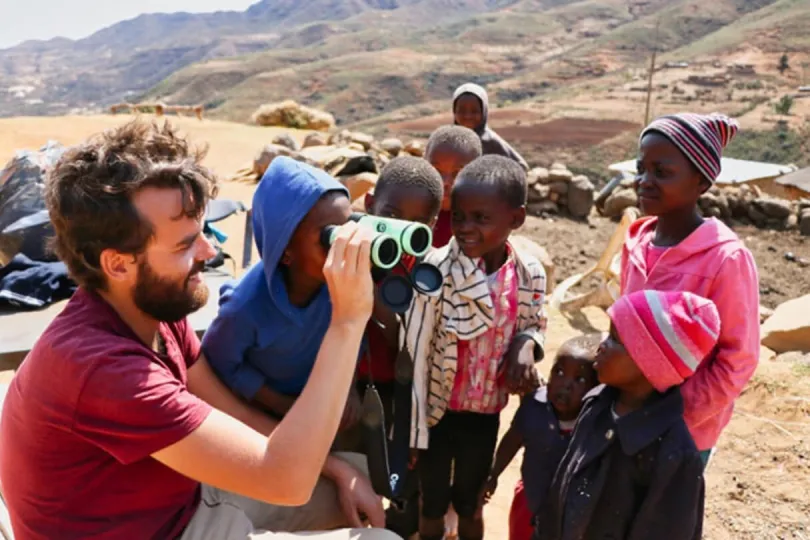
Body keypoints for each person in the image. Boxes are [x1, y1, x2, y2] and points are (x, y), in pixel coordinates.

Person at [0, 120, 397, 540]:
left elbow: (227, 408)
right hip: (164, 530)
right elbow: (286, 480)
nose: (209, 252)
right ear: (117, 263)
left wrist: (334, 468)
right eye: (184, 244)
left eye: (202, 234)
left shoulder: (148, 309)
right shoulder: (104, 370)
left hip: (175, 503)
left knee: (356, 475)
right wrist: (349, 319)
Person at [403, 155, 548, 540]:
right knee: (431, 503)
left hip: (485, 414)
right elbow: (416, 349)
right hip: (436, 413)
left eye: (481, 219)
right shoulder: (436, 268)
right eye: (460, 217)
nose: (465, 228)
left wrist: (525, 346)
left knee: (471, 503)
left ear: (515, 220)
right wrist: (413, 427)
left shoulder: (528, 273)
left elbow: (534, 323)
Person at [623, 112, 760, 468]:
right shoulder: (637, 241)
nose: (644, 181)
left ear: (700, 182)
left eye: (662, 172)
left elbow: (738, 359)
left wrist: (674, 413)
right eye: (641, 168)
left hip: (682, 434)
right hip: (625, 416)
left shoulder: (724, 259)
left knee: (663, 519)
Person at [202, 156, 365, 436]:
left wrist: (348, 390)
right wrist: (283, 406)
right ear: (285, 251)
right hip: (262, 413)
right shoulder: (245, 307)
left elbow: (357, 341)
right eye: (328, 236)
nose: (342, 244)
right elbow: (219, 365)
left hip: (320, 403)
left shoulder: (345, 283)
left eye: (347, 227)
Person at [538, 290, 716, 540]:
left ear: (648, 363)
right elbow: (563, 487)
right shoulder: (596, 404)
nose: (600, 346)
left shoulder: (674, 455)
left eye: (613, 338)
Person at [358, 155, 444, 538]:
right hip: (348, 391)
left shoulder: (423, 270)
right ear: (369, 204)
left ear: (431, 227)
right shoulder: (347, 252)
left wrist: (382, 304)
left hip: (397, 397)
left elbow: (410, 346)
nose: (399, 229)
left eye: (415, 225)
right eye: (390, 214)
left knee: (396, 482)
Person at [480, 335, 600, 540]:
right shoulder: (534, 407)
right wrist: (493, 474)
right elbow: (512, 441)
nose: (566, 385)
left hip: (569, 511)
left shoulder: (595, 422)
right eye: (559, 372)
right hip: (529, 500)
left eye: (580, 380)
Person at [424, 125, 482, 248]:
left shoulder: (480, 223)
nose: (445, 182)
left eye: (458, 173)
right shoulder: (411, 208)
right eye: (437, 170)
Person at [452, 83, 529, 171]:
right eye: (462, 110)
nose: (468, 116)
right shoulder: (449, 141)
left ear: (484, 112)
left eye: (474, 111)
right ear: (454, 111)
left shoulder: (490, 141)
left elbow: (521, 166)